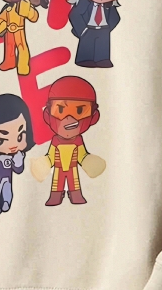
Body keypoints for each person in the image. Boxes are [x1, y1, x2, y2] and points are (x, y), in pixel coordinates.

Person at [30, 76, 106, 206]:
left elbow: (82, 155)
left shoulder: (78, 140)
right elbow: (51, 155)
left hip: (72, 167)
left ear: (94, 117)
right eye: (60, 110)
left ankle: (75, 195)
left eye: (80, 111)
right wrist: (44, 163)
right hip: (59, 167)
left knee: (74, 181)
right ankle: (56, 196)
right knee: (57, 182)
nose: (69, 119)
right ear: (47, 115)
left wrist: (89, 162)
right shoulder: (56, 140)